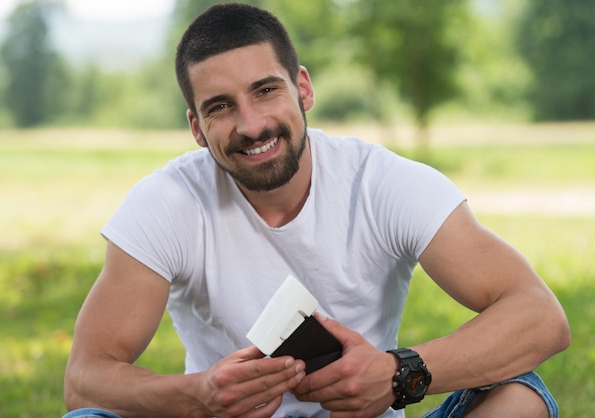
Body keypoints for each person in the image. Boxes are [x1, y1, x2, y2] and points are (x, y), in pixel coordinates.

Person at [63, 3, 570, 418]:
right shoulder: (167, 202)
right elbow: (85, 379)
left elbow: (540, 316)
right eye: (221, 106)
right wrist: (198, 395)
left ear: (302, 88)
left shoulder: (382, 183)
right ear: (196, 128)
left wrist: (397, 373)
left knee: (518, 396)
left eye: (266, 91)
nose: (252, 124)